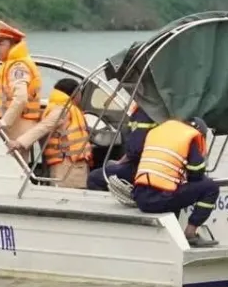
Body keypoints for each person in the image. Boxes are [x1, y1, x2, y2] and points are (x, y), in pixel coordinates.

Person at [132, 117, 219, 248]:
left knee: (175, 187)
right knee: (210, 188)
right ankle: (190, 234)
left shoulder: (158, 131)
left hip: (139, 197)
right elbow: (197, 172)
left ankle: (173, 233)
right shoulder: (189, 137)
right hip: (159, 200)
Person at [6, 78, 91, 188]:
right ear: (76, 94)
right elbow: (44, 126)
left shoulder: (57, 107)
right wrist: (19, 143)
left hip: (67, 165)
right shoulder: (63, 110)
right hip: (68, 166)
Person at [0, 20, 42, 161]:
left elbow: (21, 98)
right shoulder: (10, 65)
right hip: (16, 125)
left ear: (14, 45)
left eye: (1, 44)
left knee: (16, 166)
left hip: (18, 127)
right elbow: (5, 77)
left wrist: (4, 122)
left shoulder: (18, 66)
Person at [87, 100, 156, 191]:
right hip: (153, 165)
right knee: (110, 164)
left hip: (140, 167)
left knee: (94, 178)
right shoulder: (157, 112)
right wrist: (119, 162)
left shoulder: (143, 114)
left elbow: (135, 150)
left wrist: (120, 163)